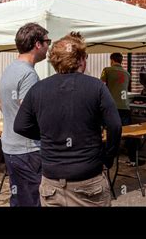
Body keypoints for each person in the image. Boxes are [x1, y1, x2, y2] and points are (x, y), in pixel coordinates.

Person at [14, 32, 122, 207]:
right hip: (88, 181)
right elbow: (115, 126)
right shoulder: (96, 87)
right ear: (80, 60)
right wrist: (107, 158)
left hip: (52, 184)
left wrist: (47, 135)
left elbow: (20, 126)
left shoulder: (38, 89)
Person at [0, 23, 50, 207]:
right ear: (37, 44)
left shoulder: (9, 69)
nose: (48, 46)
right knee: (33, 201)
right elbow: (27, 112)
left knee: (18, 199)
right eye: (47, 42)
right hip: (27, 150)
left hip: (10, 147)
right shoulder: (29, 75)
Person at [101, 53, 142, 166]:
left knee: (106, 133)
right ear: (121, 60)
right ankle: (133, 159)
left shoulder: (107, 70)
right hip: (125, 107)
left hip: (111, 107)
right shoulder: (127, 73)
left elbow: (102, 86)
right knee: (128, 133)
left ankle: (106, 159)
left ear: (112, 60)